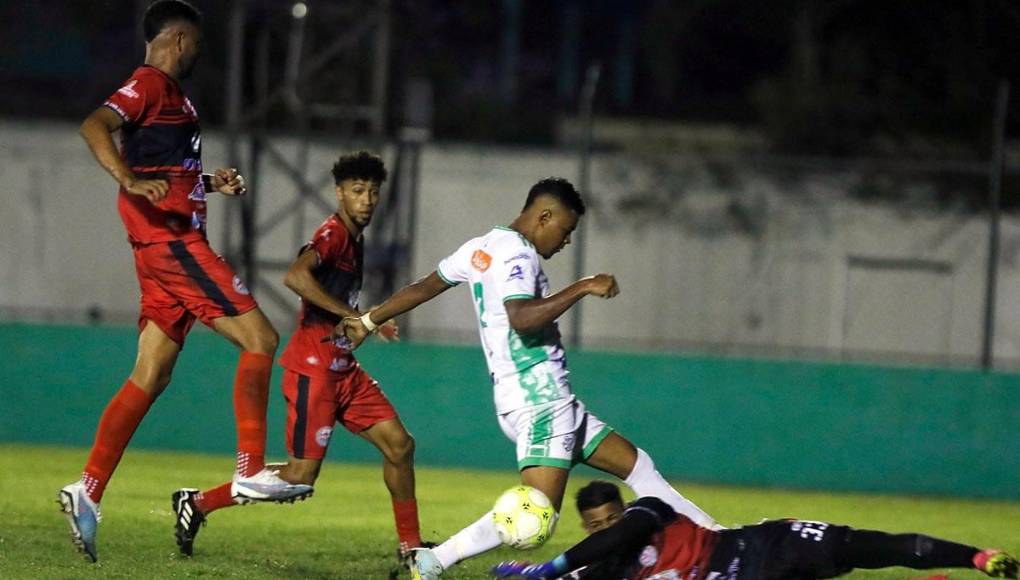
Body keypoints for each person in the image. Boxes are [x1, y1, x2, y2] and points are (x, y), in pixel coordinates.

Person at [341, 177, 718, 579]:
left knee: (638, 465)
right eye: (566, 230)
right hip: (540, 403)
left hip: (546, 400)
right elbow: (522, 319)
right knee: (537, 513)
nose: (566, 241)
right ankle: (434, 561)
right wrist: (584, 286)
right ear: (544, 216)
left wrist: (369, 318)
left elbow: (426, 286)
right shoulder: (519, 256)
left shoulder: (482, 246)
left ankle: (717, 537)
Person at [59, 0, 310, 563]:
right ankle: (249, 470)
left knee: (152, 373)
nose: (199, 51)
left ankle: (89, 489)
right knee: (262, 340)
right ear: (176, 39)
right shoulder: (148, 83)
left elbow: (161, 167)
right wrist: (124, 177)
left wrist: (208, 183)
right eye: (195, 42)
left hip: (162, 248)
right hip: (173, 245)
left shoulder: (173, 99)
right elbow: (94, 125)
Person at [171, 151, 427, 561]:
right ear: (339, 193)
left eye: (374, 193)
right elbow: (295, 276)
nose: (367, 200)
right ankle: (198, 502)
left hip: (344, 369)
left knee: (400, 445)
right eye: (358, 191)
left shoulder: (354, 241)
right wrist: (357, 315)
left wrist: (362, 318)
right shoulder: (333, 234)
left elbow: (338, 301)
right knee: (299, 476)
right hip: (314, 371)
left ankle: (411, 547)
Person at [491, 480, 1020, 579]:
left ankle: (976, 557)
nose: (608, 528)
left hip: (759, 546)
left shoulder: (646, 511)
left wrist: (550, 566)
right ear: (584, 525)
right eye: (596, 525)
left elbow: (620, 538)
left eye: (612, 517)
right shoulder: (600, 571)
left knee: (868, 547)